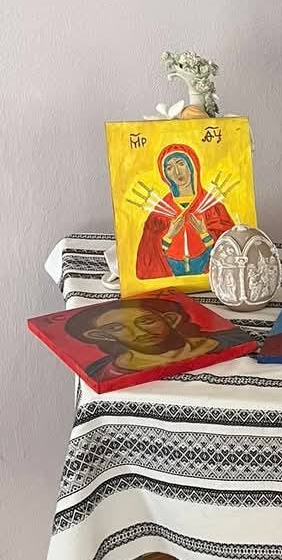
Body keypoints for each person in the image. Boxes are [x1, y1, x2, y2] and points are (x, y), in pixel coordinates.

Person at [65, 296, 228, 384]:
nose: (139, 332)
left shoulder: (227, 340)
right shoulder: (102, 372)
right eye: (116, 328)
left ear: (170, 319)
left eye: (147, 321)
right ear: (101, 335)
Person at [134, 144, 234, 280]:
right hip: (171, 273)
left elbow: (230, 249)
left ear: (192, 167)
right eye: (169, 168)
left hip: (206, 275)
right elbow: (147, 258)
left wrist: (204, 234)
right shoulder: (158, 214)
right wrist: (169, 236)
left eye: (181, 164)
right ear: (165, 175)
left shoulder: (213, 208)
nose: (176, 172)